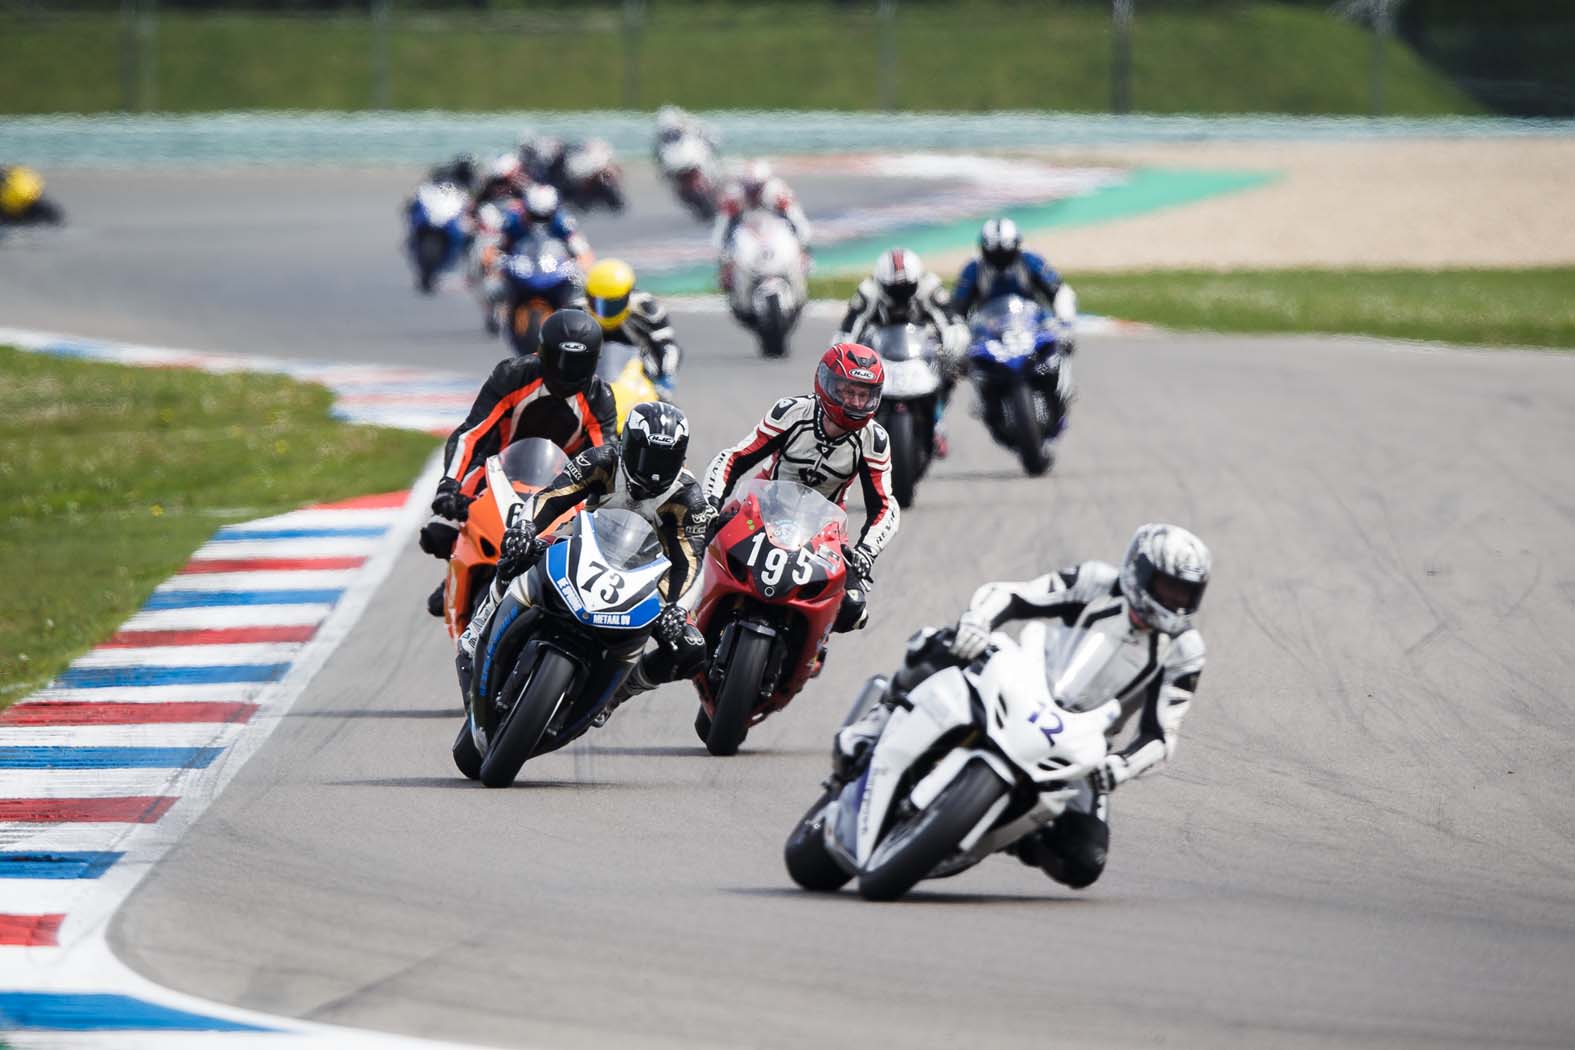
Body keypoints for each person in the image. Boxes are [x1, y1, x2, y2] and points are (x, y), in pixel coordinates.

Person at [834, 522, 1210, 889]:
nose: (1174, 601)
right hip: (1023, 680)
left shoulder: (1184, 650)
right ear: (1138, 570)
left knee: (1084, 859)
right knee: (941, 643)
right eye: (1167, 587)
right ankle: (878, 719)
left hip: (1080, 738)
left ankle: (1009, 830)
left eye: (1184, 594)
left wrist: (1119, 768)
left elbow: (1161, 734)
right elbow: (1014, 595)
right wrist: (977, 622)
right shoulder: (1097, 582)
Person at [477, 401, 715, 722]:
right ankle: (480, 626)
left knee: (691, 648)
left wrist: (677, 606)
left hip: (644, 580)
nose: (654, 469)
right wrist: (525, 528)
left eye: (666, 459)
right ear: (628, 444)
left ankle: (618, 693)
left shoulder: (689, 498)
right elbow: (551, 496)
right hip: (578, 545)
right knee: (518, 551)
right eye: (647, 456)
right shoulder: (603, 460)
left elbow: (691, 561)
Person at [417, 310, 619, 615]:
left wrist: (605, 509)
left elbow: (606, 459)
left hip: (564, 481)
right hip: (499, 468)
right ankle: (458, 564)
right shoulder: (514, 375)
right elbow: (471, 433)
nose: (567, 372)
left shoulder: (599, 397)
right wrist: (449, 486)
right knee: (443, 523)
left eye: (577, 363)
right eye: (561, 360)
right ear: (543, 353)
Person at [702, 343, 898, 635]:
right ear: (827, 384)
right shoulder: (792, 412)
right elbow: (734, 458)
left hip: (824, 531)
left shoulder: (874, 440)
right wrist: (710, 504)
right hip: (758, 510)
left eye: (864, 395)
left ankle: (807, 652)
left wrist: (866, 552)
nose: (856, 402)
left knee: (854, 610)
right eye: (848, 391)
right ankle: (686, 621)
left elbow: (884, 506)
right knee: (699, 545)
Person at [835, 247, 970, 457]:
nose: (900, 295)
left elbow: (948, 318)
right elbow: (850, 327)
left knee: (951, 368)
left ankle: (937, 421)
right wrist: (844, 349)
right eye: (893, 289)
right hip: (881, 349)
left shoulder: (929, 286)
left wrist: (954, 337)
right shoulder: (868, 291)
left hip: (921, 348)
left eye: (906, 288)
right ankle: (859, 428)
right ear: (882, 283)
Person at [952, 217, 1078, 350]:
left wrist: (1064, 323)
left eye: (1004, 254)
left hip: (1032, 329)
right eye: (994, 254)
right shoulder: (974, 267)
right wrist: (958, 332)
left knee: (1052, 358)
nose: (1000, 260)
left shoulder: (1030, 260)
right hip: (988, 335)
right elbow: (957, 307)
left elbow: (1059, 291)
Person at [584, 258, 684, 392]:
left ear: (628, 295)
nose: (605, 311)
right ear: (587, 296)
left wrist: (665, 378)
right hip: (592, 380)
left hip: (639, 377)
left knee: (666, 408)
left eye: (613, 304)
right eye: (596, 302)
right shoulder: (576, 311)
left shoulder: (647, 308)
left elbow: (667, 345)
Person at [713, 159, 813, 262]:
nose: (753, 191)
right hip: (746, 233)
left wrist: (803, 242)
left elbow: (796, 217)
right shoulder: (734, 195)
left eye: (757, 187)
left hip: (774, 231)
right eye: (749, 187)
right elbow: (723, 224)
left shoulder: (778, 192)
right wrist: (722, 250)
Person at [498, 182, 592, 266]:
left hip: (554, 273)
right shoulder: (512, 222)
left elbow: (583, 253)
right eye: (534, 216)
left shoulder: (563, 222)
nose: (539, 222)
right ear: (525, 210)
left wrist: (579, 268)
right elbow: (493, 251)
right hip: (520, 273)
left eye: (546, 217)